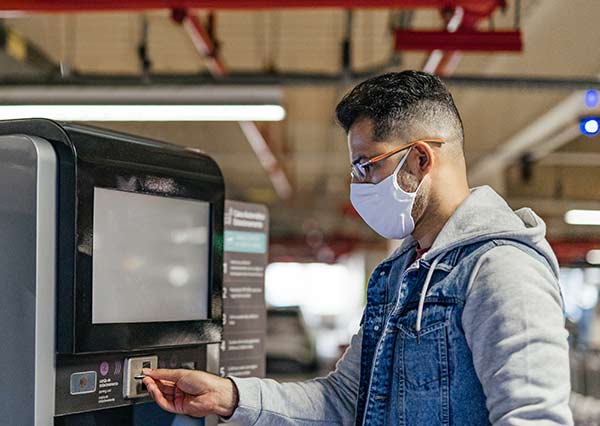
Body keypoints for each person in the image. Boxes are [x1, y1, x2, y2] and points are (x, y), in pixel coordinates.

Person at [143, 71, 573, 425]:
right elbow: (345, 399)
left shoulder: (500, 268)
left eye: (367, 165)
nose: (359, 185)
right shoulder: (398, 273)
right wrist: (231, 397)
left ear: (421, 159)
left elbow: (534, 417)